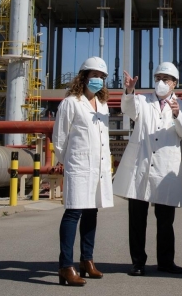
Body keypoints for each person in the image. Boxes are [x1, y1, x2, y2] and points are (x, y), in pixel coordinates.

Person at [113, 62, 182, 277]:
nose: (161, 82)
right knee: (137, 219)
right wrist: (129, 91)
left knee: (166, 220)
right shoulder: (141, 100)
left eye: (166, 79)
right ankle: (138, 262)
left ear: (174, 83)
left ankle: (166, 261)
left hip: (165, 169)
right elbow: (128, 109)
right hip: (142, 166)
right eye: (158, 77)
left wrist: (177, 114)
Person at [53, 56, 113, 287]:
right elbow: (59, 140)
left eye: (102, 77)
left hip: (97, 167)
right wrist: (69, 162)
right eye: (94, 75)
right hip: (79, 166)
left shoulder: (102, 104)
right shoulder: (71, 102)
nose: (98, 80)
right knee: (73, 213)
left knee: (91, 213)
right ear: (84, 76)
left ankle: (86, 261)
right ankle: (65, 266)